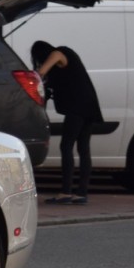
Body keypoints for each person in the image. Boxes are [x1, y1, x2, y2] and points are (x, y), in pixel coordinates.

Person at [32, 40, 103, 205]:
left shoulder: (59, 52)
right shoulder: (62, 65)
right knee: (83, 148)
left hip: (78, 107)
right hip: (88, 105)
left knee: (66, 146)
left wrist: (33, 76)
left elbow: (40, 72)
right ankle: (81, 193)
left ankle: (65, 192)